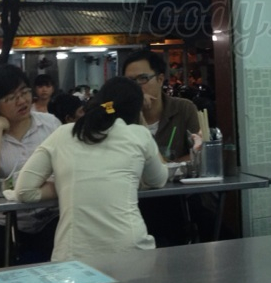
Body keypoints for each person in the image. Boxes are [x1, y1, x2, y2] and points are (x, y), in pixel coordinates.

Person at [14, 77, 168, 261]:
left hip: (73, 256)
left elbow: (24, 190)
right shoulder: (138, 134)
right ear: (136, 110)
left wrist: (66, 185)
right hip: (130, 250)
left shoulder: (63, 133)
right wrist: (142, 125)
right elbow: (158, 180)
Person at [0, 64, 60, 271]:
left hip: (50, 216)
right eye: (10, 98)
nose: (22, 101)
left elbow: (65, 168)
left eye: (24, 92)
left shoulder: (50, 124)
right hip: (0, 221)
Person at [122, 49, 202, 245]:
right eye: (130, 82)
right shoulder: (121, 117)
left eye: (143, 79)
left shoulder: (183, 109)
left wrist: (166, 166)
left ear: (160, 79)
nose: (136, 87)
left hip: (176, 198)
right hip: (133, 201)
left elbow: (197, 154)